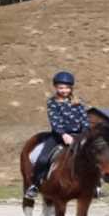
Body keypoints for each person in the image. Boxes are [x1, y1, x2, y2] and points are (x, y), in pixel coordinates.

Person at [27, 70, 91, 200]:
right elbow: (55, 121)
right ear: (56, 87)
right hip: (58, 136)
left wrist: (85, 134)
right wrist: (63, 135)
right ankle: (35, 185)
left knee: (94, 156)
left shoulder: (79, 102)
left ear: (71, 88)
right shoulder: (52, 102)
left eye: (67, 88)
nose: (64, 90)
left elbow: (84, 119)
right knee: (43, 158)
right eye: (61, 88)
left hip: (78, 136)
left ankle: (96, 186)